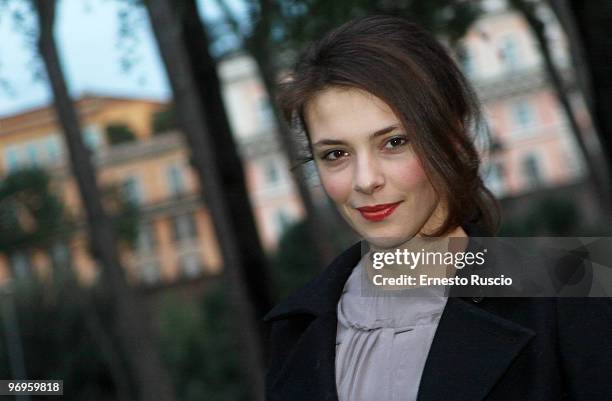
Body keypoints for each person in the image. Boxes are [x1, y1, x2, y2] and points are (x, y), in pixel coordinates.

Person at [263, 15, 612, 401]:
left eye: (394, 142)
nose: (365, 180)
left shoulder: (576, 286)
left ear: (453, 140)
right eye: (336, 153)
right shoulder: (295, 330)